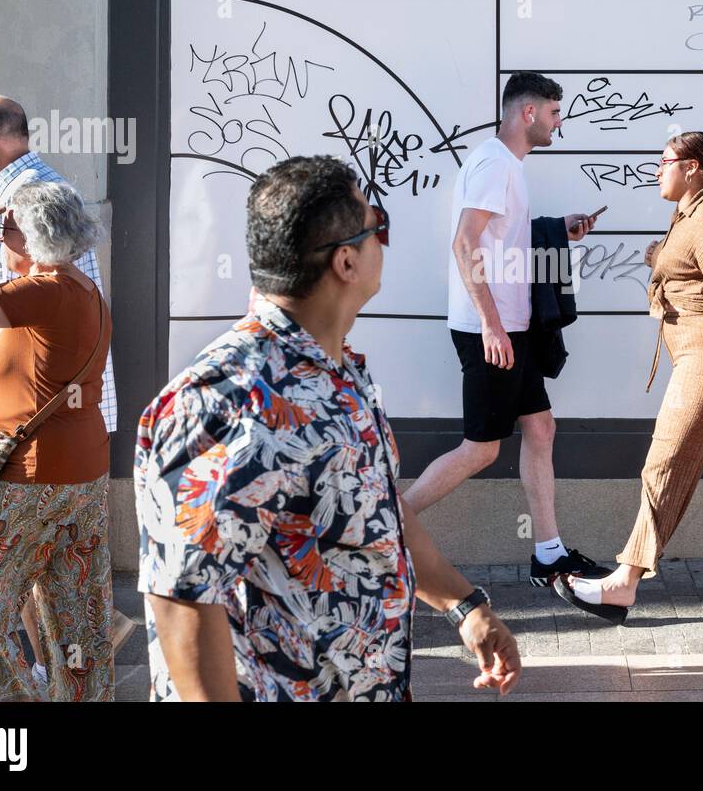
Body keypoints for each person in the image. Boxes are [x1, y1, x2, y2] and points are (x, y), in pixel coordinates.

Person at [136, 156, 521, 701]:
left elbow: (374, 511)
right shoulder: (229, 398)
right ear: (346, 261)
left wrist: (466, 607)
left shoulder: (337, 374)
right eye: (378, 226)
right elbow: (182, 595)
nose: (383, 244)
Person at [0, 95, 133, 686]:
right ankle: (70, 684)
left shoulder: (24, 217)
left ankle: (22, 693)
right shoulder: (63, 263)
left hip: (29, 439)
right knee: (65, 593)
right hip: (59, 435)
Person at [552, 132, 703, 623]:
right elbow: (695, 268)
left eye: (664, 161)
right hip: (695, 353)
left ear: (693, 167)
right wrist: (659, 260)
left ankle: (624, 582)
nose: (656, 169)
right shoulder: (690, 213)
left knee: (664, 461)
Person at [402, 72, 606, 586]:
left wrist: (560, 229)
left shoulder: (506, 166)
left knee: (540, 428)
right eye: (555, 113)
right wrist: (492, 327)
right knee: (482, 448)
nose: (560, 123)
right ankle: (385, 527)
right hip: (490, 330)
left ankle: (548, 553)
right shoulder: (495, 164)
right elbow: (465, 244)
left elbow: (502, 238)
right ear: (530, 113)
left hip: (510, 328)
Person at [0, 181, 114, 701]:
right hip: (83, 472)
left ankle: (21, 699)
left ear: (32, 240)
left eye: (2, 230)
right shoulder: (81, 288)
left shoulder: (45, 290)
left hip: (35, 475)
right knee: (76, 609)